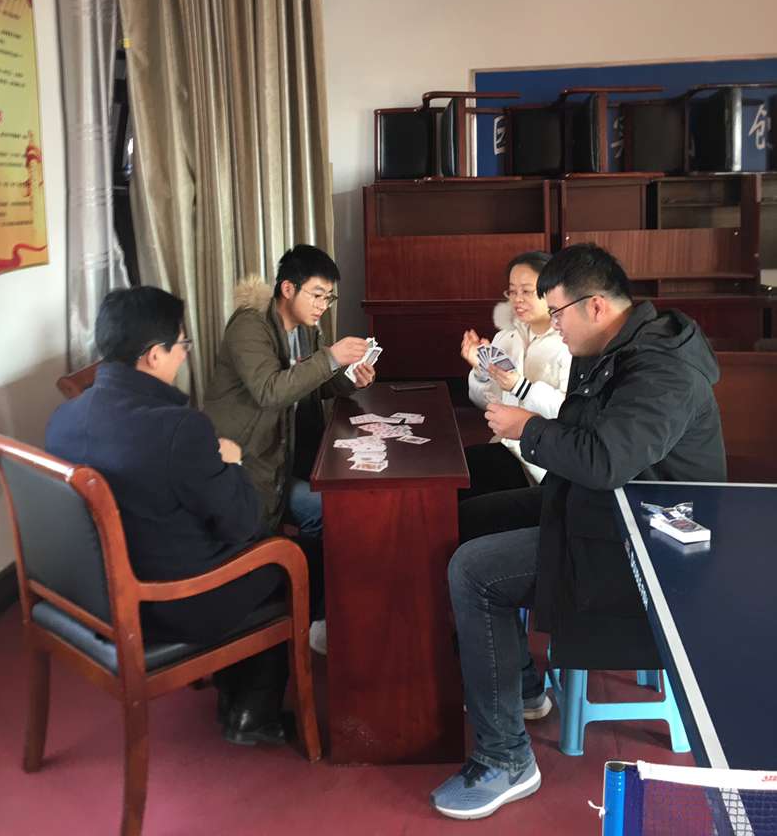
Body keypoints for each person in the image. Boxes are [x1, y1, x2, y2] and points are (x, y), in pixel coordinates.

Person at [431, 243, 726, 821]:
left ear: (595, 306)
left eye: (558, 311)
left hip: (645, 545)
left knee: (473, 571)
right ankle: (520, 685)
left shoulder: (661, 368)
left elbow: (604, 459)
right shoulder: (618, 348)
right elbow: (584, 427)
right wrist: (527, 413)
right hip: (599, 507)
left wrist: (528, 428)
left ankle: (506, 757)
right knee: (464, 521)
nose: (554, 324)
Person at [46, 286, 290, 747]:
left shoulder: (63, 418)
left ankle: (237, 691)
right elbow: (244, 524)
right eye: (182, 345)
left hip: (92, 595)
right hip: (171, 603)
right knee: (288, 558)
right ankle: (252, 713)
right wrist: (232, 462)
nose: (184, 355)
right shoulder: (179, 429)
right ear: (154, 355)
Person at [203, 244, 375, 652]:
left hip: (282, 458)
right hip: (245, 464)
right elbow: (270, 391)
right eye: (316, 295)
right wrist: (330, 357)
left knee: (332, 508)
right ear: (287, 289)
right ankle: (300, 615)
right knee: (325, 511)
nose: (322, 306)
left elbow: (310, 385)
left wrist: (349, 378)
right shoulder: (250, 327)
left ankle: (314, 611)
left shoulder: (306, 330)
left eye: (328, 297)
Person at [459, 251, 571, 540]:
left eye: (527, 291)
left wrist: (521, 386)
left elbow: (569, 411)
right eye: (512, 291)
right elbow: (487, 404)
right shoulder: (507, 336)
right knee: (451, 480)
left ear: (552, 290)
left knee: (465, 511)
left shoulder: (569, 341)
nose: (517, 300)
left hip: (541, 464)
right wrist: (481, 371)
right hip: (507, 448)